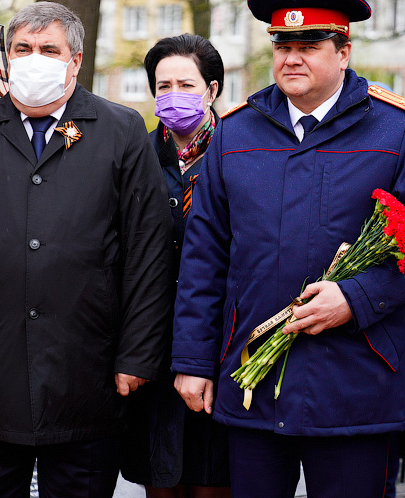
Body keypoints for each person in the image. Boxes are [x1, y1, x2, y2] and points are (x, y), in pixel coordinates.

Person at [169, 0, 405, 497]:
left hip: (355, 379)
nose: (292, 58)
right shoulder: (235, 132)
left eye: (309, 46)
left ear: (343, 52)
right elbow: (204, 255)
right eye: (283, 46)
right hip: (253, 377)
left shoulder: (396, 128)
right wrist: (193, 362)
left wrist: (356, 297)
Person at [0, 1, 172, 498]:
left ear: (75, 60)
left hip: (88, 377)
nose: (34, 59)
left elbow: (148, 252)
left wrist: (138, 356)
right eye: (22, 48)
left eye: (49, 49)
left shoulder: (119, 130)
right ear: (7, 57)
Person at [121, 34, 231, 498]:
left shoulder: (240, 152)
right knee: (160, 473)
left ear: (212, 89)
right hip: (151, 341)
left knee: (214, 475)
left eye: (186, 85)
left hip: (220, 340)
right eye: (163, 86)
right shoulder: (134, 156)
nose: (173, 95)